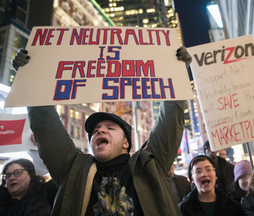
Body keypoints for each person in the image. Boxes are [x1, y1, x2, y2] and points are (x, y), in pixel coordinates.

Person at [11, 46, 192, 216]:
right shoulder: (72, 169)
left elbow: (170, 121)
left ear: (126, 143)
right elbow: (45, 125)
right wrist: (29, 75)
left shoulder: (149, 165)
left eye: (110, 128)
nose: (100, 131)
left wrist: (176, 72)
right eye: (96, 130)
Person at [179, 155, 245, 216]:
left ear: (216, 175)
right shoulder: (182, 209)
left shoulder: (233, 206)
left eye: (208, 169)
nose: (204, 174)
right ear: (192, 179)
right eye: (198, 171)